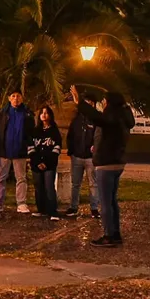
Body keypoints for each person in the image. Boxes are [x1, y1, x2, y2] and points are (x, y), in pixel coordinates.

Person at [70, 85, 135, 248]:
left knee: (105, 202)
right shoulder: (123, 118)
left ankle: (109, 235)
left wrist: (80, 103)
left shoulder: (111, 118)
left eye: (105, 101)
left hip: (106, 164)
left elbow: (96, 116)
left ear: (110, 103)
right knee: (112, 200)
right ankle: (115, 233)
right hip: (117, 163)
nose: (103, 103)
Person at [0, 90, 35, 213]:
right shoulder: (2, 113)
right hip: (4, 151)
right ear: (9, 98)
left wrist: (28, 146)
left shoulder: (27, 114)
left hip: (20, 151)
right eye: (13, 96)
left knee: (21, 178)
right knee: (0, 178)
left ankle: (21, 203)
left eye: (18, 96)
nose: (16, 98)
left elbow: (31, 131)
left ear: (22, 98)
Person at [64, 91, 100, 219]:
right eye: (86, 103)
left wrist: (96, 148)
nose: (89, 105)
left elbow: (100, 136)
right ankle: (73, 207)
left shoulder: (97, 119)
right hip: (77, 156)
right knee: (75, 183)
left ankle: (94, 208)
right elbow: (71, 136)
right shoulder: (76, 119)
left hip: (91, 158)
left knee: (93, 184)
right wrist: (72, 151)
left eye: (91, 103)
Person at [28, 105, 62, 221]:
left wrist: (46, 162)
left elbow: (57, 148)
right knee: (38, 187)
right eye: (42, 113)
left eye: (46, 113)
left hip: (50, 164)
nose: (44, 115)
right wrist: (37, 162)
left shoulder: (54, 131)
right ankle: (41, 209)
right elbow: (31, 147)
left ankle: (52, 211)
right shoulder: (34, 130)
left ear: (50, 115)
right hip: (36, 164)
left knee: (49, 186)